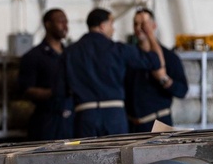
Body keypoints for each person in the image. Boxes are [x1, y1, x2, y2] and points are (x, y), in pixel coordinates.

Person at [64, 7, 167, 138]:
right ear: (102, 26)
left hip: (84, 115)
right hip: (114, 116)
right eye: (111, 24)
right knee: (118, 157)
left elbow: (60, 90)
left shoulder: (69, 52)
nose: (113, 29)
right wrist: (150, 33)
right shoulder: (118, 49)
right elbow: (155, 61)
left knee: (84, 157)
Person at [126, 8, 189, 131]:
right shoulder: (129, 56)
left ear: (153, 26)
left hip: (158, 125)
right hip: (132, 127)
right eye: (136, 24)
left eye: (144, 24)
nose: (139, 28)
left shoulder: (169, 57)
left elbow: (182, 90)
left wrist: (164, 79)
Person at [17, 8, 73, 141]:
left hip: (71, 121)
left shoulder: (71, 55)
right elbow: (25, 90)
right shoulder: (33, 56)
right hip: (47, 120)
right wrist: (53, 93)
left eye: (66, 22)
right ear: (47, 24)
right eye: (60, 22)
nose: (65, 26)